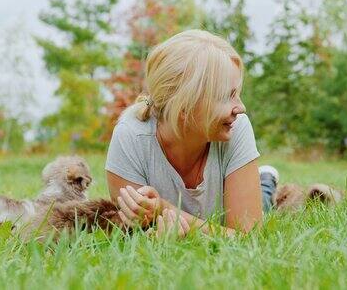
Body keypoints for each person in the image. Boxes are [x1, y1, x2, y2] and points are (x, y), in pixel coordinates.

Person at [105, 29, 278, 237]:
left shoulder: (236, 127)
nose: (241, 108)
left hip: (227, 210)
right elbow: (133, 235)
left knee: (264, 203)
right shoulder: (130, 137)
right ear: (184, 107)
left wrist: (164, 209)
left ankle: (265, 181)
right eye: (228, 96)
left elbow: (248, 238)